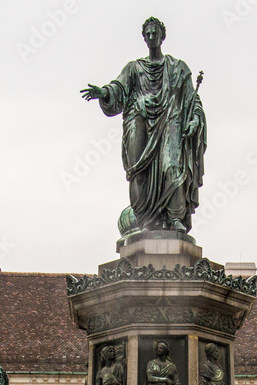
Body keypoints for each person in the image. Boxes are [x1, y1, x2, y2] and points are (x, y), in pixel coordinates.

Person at [81, 17, 206, 235]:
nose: (151, 37)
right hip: (138, 119)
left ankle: (175, 218)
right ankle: (145, 220)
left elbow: (192, 100)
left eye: (154, 33)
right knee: (138, 173)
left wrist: (195, 119)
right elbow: (118, 89)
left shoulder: (178, 68)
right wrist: (104, 92)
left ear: (162, 36)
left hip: (170, 123)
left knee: (172, 168)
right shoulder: (133, 68)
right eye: (147, 34)